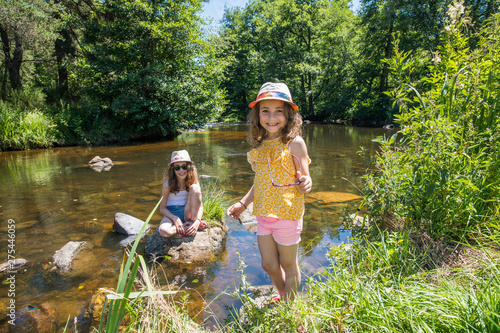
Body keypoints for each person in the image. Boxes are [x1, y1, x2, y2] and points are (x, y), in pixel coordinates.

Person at [226, 82, 312, 302]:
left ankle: (291, 310)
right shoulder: (260, 145)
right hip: (263, 214)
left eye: (278, 111)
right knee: (268, 264)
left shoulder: (295, 143)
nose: (271, 117)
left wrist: (306, 182)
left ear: (289, 115)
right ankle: (284, 296)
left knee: (289, 265)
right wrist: (243, 204)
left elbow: (306, 176)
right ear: (257, 115)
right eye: (266, 111)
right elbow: (261, 182)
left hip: (287, 215)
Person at [158, 150, 206, 238]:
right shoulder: (167, 184)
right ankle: (185, 227)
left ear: (189, 167)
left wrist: (197, 221)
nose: (181, 170)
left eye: (184, 166)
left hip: (188, 212)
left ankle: (191, 223)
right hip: (172, 212)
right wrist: (175, 219)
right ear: (173, 169)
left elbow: (200, 206)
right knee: (163, 231)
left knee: (195, 188)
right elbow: (162, 208)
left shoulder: (193, 181)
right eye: (177, 167)